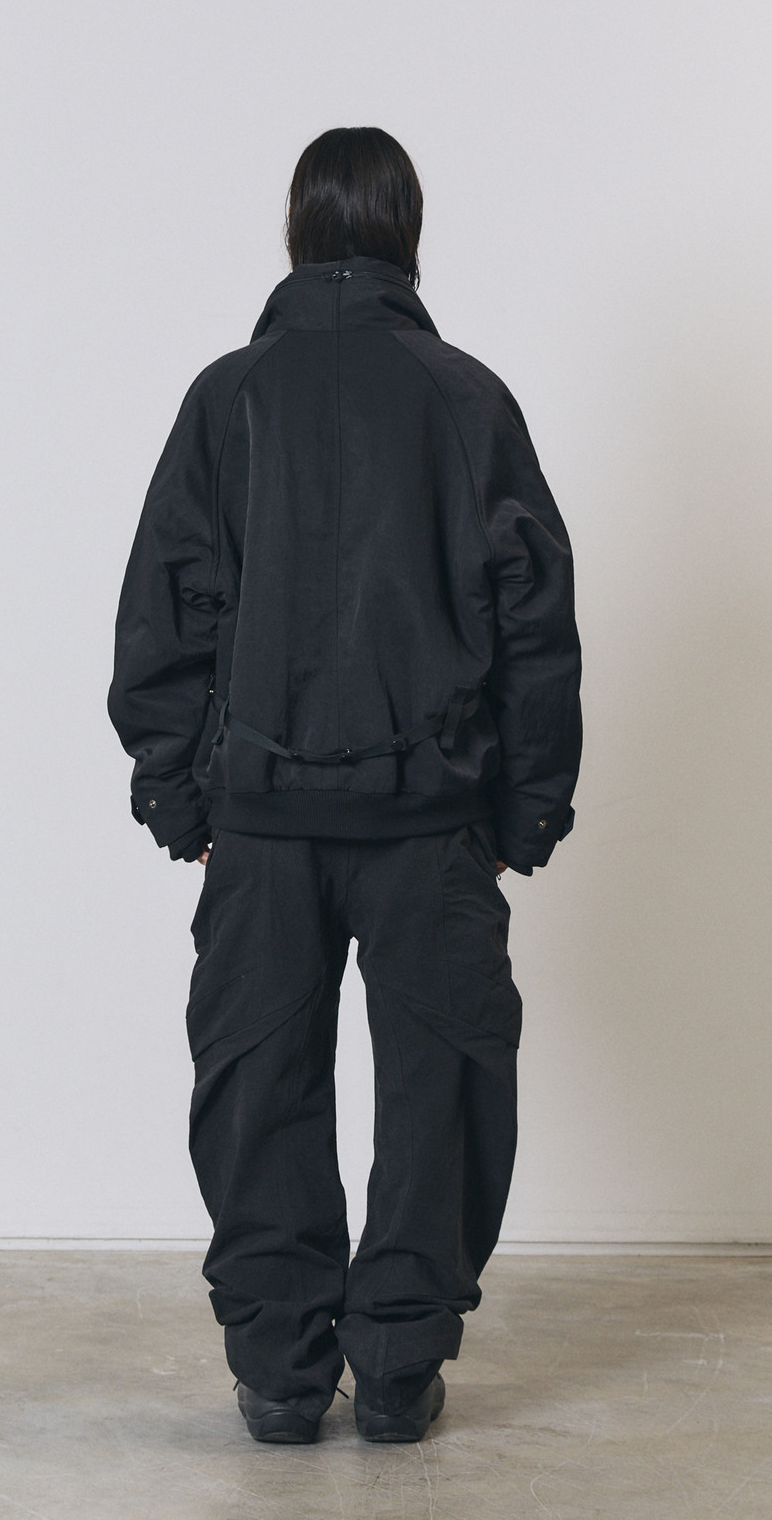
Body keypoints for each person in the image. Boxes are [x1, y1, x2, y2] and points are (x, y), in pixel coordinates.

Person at [107, 127, 581, 1445]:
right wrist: (524, 809)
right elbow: (535, 619)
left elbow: (166, 607)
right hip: (432, 821)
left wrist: (181, 797)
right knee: (444, 1089)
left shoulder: (227, 398)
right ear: (408, 233)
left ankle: (278, 1370)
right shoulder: (468, 400)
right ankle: (400, 1365)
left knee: (257, 1085)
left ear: (297, 231)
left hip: (262, 822)